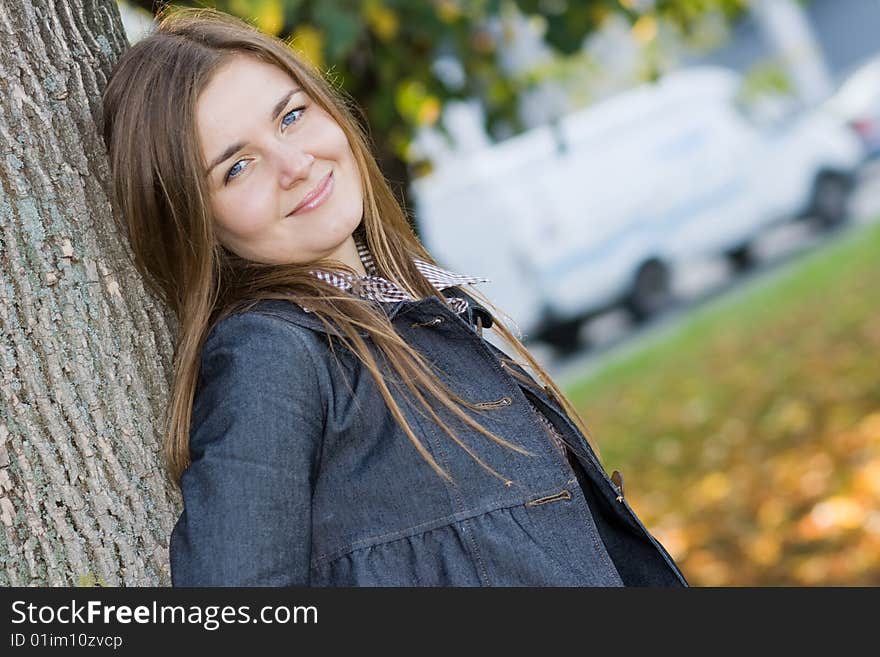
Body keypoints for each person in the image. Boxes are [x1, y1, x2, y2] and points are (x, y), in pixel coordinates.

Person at [101, 7, 688, 587]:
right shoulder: (270, 356)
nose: (296, 164)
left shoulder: (413, 308)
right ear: (192, 221)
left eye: (291, 117)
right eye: (237, 168)